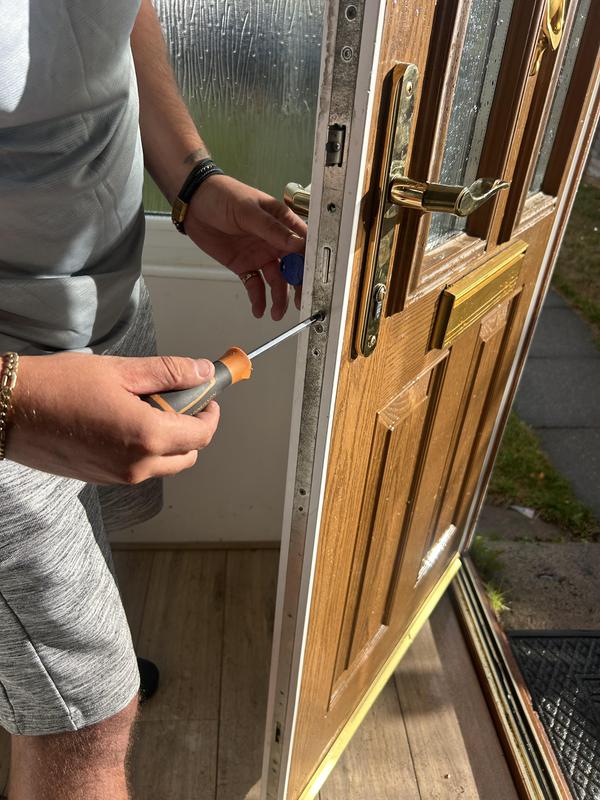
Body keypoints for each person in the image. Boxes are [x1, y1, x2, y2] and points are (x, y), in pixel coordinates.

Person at [0, 1, 306, 797]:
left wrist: (193, 181)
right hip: (10, 379)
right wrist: (14, 400)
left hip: (109, 301)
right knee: (86, 728)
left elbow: (119, 16)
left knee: (99, 528)